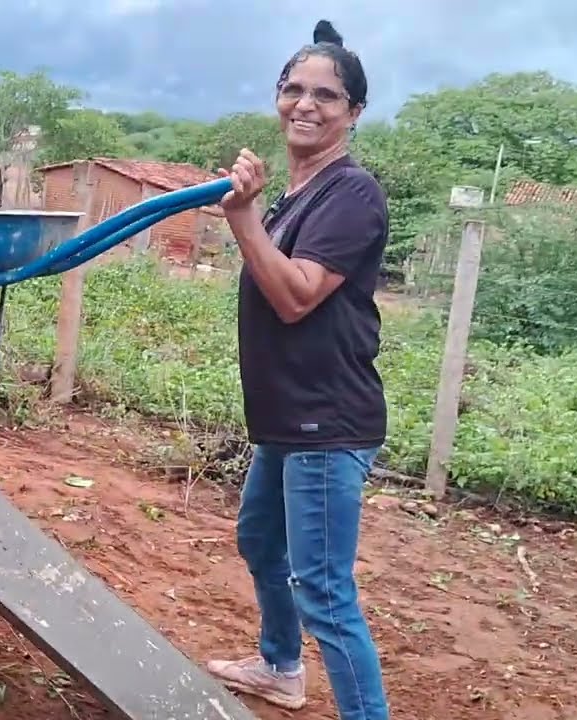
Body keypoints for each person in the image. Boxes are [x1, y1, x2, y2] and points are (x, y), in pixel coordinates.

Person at [203, 19, 392, 720]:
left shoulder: (353, 193)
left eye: (326, 95)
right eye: (293, 89)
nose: (305, 104)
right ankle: (282, 668)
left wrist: (243, 218)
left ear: (354, 113)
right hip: (288, 416)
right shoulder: (299, 195)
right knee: (260, 540)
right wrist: (255, 214)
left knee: (325, 590)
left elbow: (295, 297)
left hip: (326, 418)